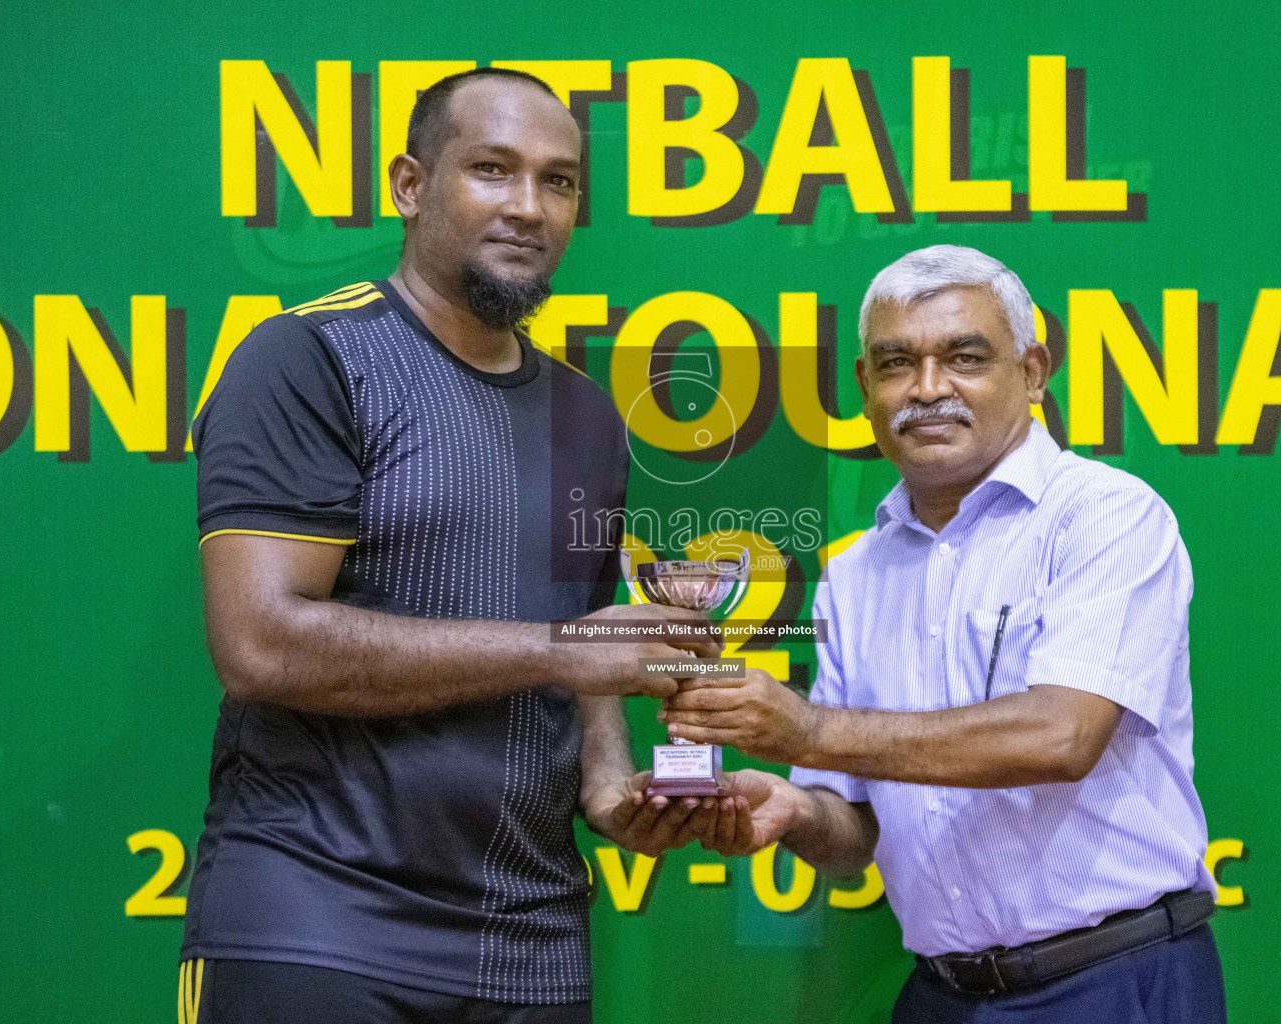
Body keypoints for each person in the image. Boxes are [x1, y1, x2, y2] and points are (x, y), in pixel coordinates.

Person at [180, 67, 714, 1024]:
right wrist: (567, 649)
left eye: (558, 181)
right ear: (409, 185)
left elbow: (584, 638)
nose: (530, 207)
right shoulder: (306, 359)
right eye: (493, 170)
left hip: (533, 945)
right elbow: (261, 643)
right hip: (318, 920)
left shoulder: (588, 417)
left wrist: (608, 786)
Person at [665, 245, 1226, 1023]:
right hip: (943, 995)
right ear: (866, 387)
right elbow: (853, 831)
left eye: (964, 357)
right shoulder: (856, 575)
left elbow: (1062, 736)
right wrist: (794, 811)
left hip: (1113, 979)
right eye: (897, 363)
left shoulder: (1105, 515)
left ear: (1032, 371)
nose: (928, 389)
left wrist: (811, 728)